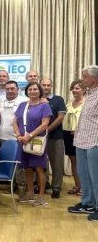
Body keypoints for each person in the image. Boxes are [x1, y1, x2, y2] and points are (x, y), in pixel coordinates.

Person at [13, 82, 52, 207]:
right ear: (27, 91)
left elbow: (45, 124)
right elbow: (14, 122)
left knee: (39, 169)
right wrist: (19, 136)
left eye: (35, 89)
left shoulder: (44, 106)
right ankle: (30, 192)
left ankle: (41, 196)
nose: (33, 91)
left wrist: (29, 136)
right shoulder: (22, 105)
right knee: (27, 168)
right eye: (30, 89)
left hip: (36, 142)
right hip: (22, 141)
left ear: (39, 91)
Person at [68, 65, 98, 221]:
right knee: (84, 174)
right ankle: (88, 202)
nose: (83, 79)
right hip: (81, 141)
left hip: (95, 141)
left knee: (96, 176)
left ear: (94, 78)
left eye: (85, 76)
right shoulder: (89, 94)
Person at [0, 80, 26, 192]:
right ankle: (12, 185)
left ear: (17, 89)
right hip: (3, 136)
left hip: (17, 137)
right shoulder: (0, 99)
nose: (10, 91)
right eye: (8, 88)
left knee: (19, 164)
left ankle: (21, 187)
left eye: (12, 88)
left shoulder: (24, 100)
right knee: (8, 162)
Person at [41, 78, 66, 199]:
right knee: (41, 163)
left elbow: (60, 117)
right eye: (43, 85)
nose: (46, 87)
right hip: (39, 137)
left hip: (55, 136)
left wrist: (47, 129)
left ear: (52, 86)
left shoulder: (58, 99)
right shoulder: (36, 100)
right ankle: (43, 184)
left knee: (57, 163)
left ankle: (56, 188)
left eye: (48, 85)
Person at [63, 80, 85, 196]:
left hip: (82, 135)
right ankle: (78, 186)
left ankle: (85, 188)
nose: (74, 90)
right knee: (73, 162)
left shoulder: (86, 103)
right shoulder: (70, 102)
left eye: (77, 88)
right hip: (67, 135)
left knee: (83, 163)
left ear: (84, 89)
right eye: (73, 88)